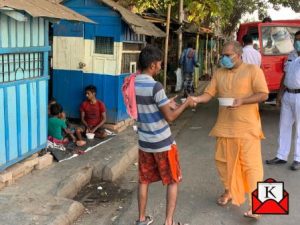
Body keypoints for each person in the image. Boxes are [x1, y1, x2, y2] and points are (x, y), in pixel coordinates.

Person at [192, 41, 269, 218]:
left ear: (238, 54)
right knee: (223, 163)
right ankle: (229, 191)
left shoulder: (252, 70)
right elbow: (209, 94)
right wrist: (196, 99)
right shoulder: (219, 73)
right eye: (223, 55)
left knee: (251, 167)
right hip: (224, 127)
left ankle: (257, 205)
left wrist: (243, 100)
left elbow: (263, 94)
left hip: (247, 128)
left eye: (228, 55)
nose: (224, 58)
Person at [134, 45, 195, 225]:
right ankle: (168, 222)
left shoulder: (134, 83)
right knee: (173, 180)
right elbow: (170, 117)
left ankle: (141, 219)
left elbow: (146, 107)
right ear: (152, 65)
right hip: (162, 142)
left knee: (143, 180)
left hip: (144, 142)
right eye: (160, 64)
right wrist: (186, 104)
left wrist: (165, 102)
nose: (161, 67)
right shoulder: (156, 86)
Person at [266, 31, 300, 170]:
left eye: (299, 40)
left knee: (299, 128)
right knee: (284, 125)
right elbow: (285, 76)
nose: (297, 42)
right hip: (287, 94)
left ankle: (298, 158)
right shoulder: (291, 55)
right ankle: (281, 156)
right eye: (296, 39)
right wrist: (279, 95)